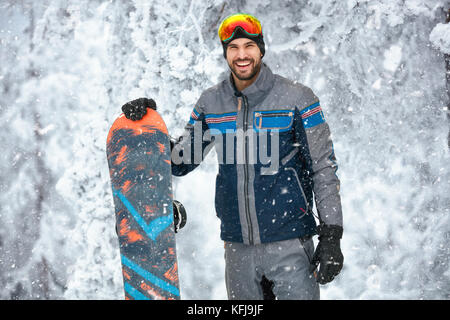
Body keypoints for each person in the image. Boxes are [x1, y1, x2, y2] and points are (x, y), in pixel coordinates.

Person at [121, 13, 343, 300]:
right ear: (225, 53)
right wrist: (149, 127)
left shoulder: (297, 99)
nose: (242, 55)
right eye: (233, 48)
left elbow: (323, 168)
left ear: (261, 49)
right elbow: (181, 160)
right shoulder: (212, 104)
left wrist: (332, 234)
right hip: (238, 250)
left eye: (249, 46)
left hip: (290, 246)